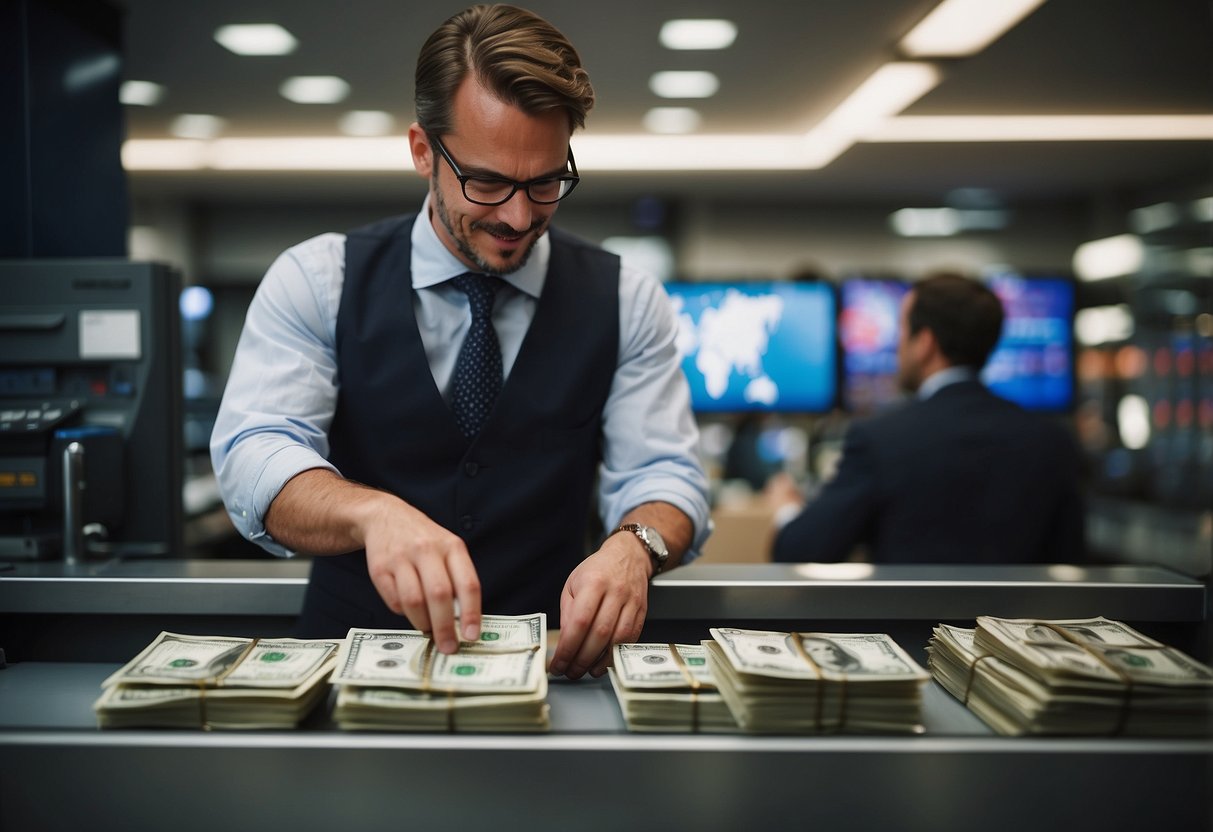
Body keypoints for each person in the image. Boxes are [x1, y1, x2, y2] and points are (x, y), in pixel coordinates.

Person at [210, 4, 710, 680]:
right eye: (487, 181)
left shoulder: (626, 297)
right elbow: (254, 451)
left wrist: (635, 545)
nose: (517, 215)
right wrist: (370, 513)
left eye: (544, 182)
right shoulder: (318, 279)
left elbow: (664, 473)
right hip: (351, 672)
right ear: (422, 151)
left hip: (552, 674)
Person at [766, 272, 1085, 564]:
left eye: (903, 332)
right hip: (1016, 628)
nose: (897, 347)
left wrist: (786, 508)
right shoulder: (1051, 441)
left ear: (925, 344)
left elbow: (802, 552)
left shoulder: (881, 439)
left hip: (917, 628)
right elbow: (1071, 564)